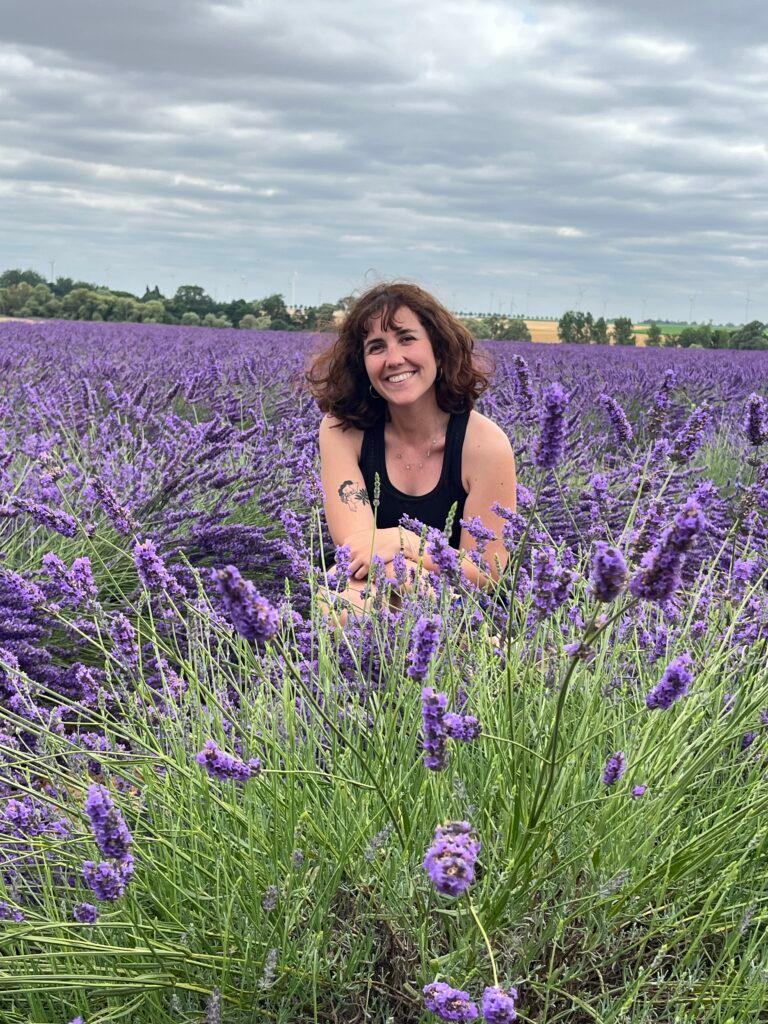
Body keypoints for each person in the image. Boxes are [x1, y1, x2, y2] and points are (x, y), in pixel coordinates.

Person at [305, 281, 517, 622]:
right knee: (346, 606)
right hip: (366, 584)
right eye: (376, 347)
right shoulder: (342, 430)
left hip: (460, 604)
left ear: (438, 349)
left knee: (344, 612)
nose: (394, 359)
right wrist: (396, 571)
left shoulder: (485, 445)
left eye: (406, 338)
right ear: (362, 363)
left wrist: (407, 542)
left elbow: (485, 572)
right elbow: (359, 548)